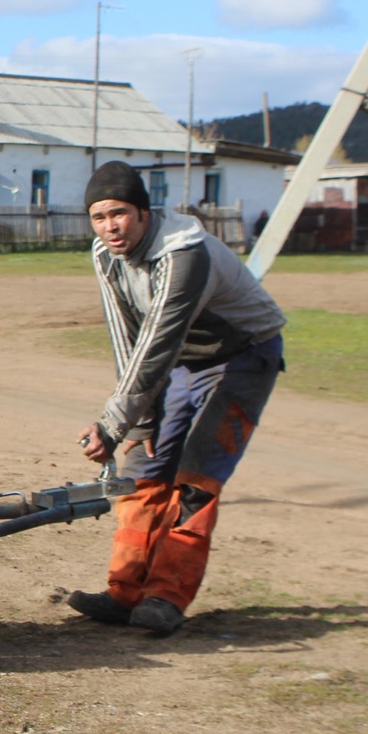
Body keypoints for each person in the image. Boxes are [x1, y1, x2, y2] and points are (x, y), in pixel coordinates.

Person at [69, 159, 285, 636]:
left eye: (120, 214)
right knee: (143, 470)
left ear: (144, 212)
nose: (111, 226)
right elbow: (127, 339)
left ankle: (166, 596)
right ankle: (124, 592)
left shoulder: (184, 253)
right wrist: (138, 424)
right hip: (181, 362)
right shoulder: (105, 255)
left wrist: (112, 422)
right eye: (100, 217)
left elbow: (157, 342)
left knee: (195, 479)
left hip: (242, 356)